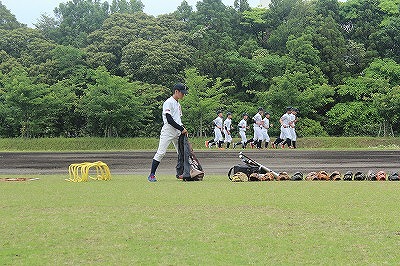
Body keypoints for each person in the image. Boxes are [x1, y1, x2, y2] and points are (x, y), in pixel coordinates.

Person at [148, 83, 188, 182]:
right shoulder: (168, 102)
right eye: (182, 93)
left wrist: (182, 128)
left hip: (178, 130)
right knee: (161, 152)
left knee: (181, 153)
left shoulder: (178, 104)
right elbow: (169, 119)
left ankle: (181, 174)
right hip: (168, 130)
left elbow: (178, 119)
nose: (183, 95)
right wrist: (181, 128)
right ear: (176, 91)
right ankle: (152, 175)